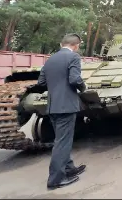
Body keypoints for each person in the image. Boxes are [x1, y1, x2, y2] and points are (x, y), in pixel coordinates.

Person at [37, 33, 87, 190]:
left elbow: (41, 82)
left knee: (61, 139)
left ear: (61, 44)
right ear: (76, 45)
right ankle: (55, 180)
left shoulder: (50, 59)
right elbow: (74, 79)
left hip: (52, 106)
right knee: (63, 142)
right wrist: (83, 87)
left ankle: (69, 168)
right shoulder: (74, 57)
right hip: (66, 106)